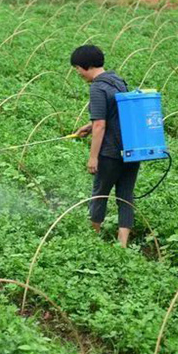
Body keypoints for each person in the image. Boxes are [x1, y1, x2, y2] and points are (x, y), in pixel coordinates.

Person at [71, 44, 140, 248]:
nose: (77, 73)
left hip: (111, 153)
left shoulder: (97, 87)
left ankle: (93, 240)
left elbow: (101, 124)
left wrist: (93, 157)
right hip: (131, 149)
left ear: (85, 66)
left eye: (77, 68)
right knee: (125, 196)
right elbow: (115, 115)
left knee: (100, 193)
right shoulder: (117, 81)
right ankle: (122, 245)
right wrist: (89, 126)